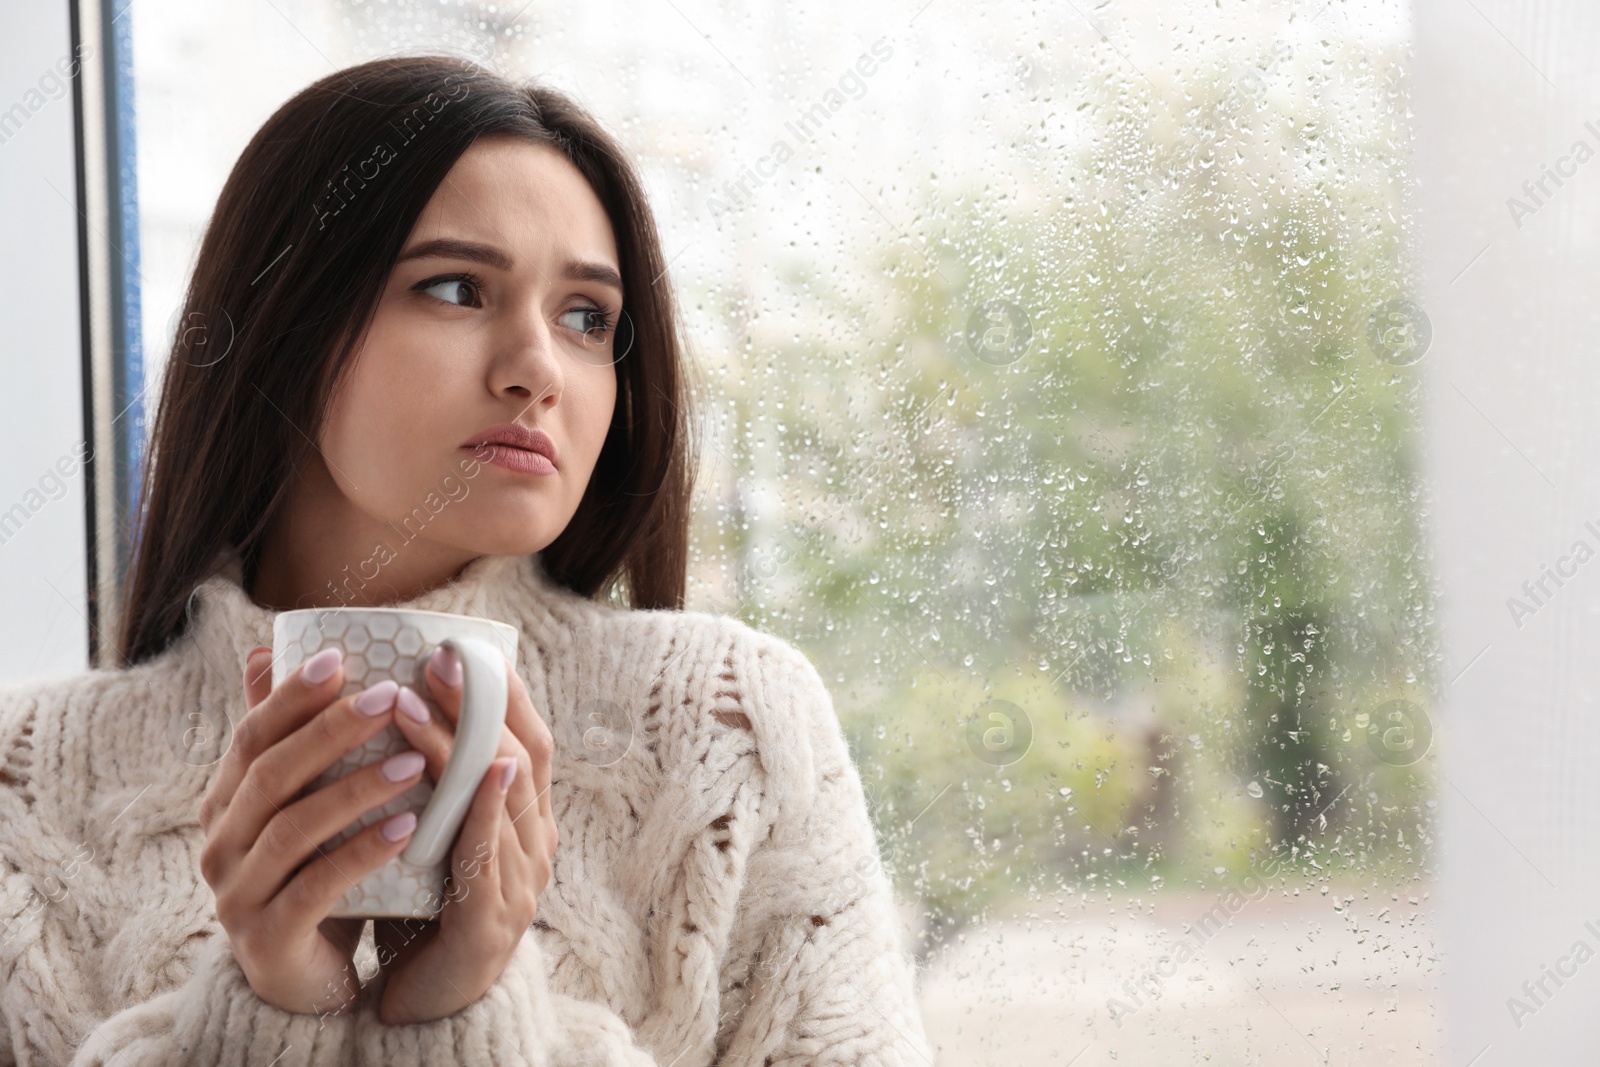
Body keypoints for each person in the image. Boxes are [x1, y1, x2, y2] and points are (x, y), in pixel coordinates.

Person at [0, 55, 931, 1066]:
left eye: (587, 316)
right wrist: (267, 1014)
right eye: (456, 288)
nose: (537, 367)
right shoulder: (26, 786)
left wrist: (469, 1016)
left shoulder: (731, 722)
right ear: (282, 324)